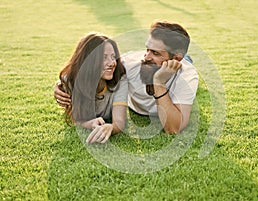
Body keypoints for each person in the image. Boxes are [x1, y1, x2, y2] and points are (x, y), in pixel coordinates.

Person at [54, 21, 198, 134]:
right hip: (132, 59)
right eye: (147, 49)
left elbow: (173, 129)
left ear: (176, 59)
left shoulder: (187, 77)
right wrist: (61, 85)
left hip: (182, 66)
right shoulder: (127, 66)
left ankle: (188, 58)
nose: (146, 57)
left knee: (188, 63)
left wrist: (159, 83)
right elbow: (91, 66)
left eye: (155, 53)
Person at [57, 32, 127, 144]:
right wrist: (90, 124)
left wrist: (110, 128)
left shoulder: (120, 79)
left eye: (113, 57)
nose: (112, 63)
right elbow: (74, 115)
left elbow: (119, 121)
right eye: (104, 57)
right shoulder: (71, 79)